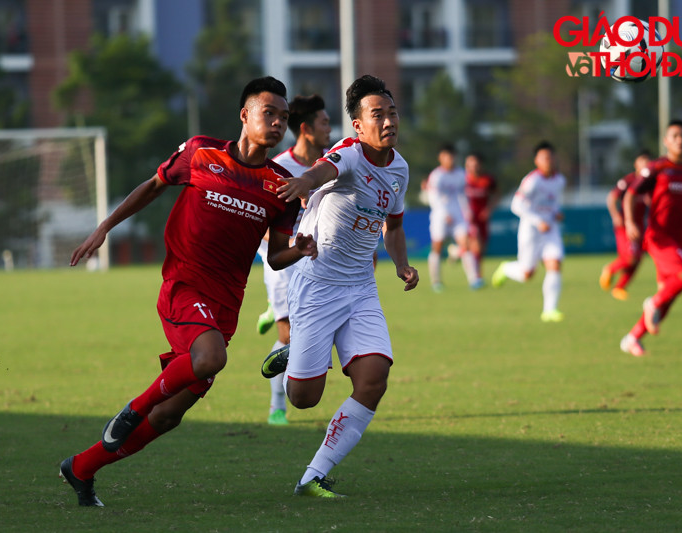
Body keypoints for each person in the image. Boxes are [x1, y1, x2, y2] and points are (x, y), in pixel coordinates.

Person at [58, 76, 318, 507]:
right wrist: (105, 227)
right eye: (269, 113)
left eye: (284, 118)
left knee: (168, 415)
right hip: (183, 286)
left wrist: (300, 250)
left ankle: (81, 468)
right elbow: (154, 185)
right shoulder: (202, 152)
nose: (277, 123)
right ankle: (131, 408)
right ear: (245, 115)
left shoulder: (281, 187)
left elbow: (274, 258)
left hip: (225, 306)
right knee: (209, 359)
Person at [260, 75, 419, 498]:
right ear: (358, 126)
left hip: (361, 289)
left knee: (373, 378)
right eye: (377, 115)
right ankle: (292, 353)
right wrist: (302, 184)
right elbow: (321, 171)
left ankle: (314, 474)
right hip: (318, 285)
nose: (388, 121)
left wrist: (402, 264)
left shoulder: (399, 169)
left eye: (392, 112)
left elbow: (395, 225)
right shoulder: (348, 153)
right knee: (303, 398)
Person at [257, 94, 332, 425]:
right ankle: (277, 406)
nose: (330, 129)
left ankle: (272, 313)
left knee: (311, 332)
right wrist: (288, 244)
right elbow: (261, 221)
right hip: (283, 262)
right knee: (288, 336)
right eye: (325, 123)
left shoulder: (332, 165)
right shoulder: (281, 169)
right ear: (306, 129)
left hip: (318, 264)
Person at [620, 120, 682, 357]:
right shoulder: (657, 168)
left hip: (681, 238)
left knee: (668, 297)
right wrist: (630, 221)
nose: (680, 140)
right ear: (666, 141)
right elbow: (631, 194)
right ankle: (651, 303)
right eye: (674, 136)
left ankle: (632, 338)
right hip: (659, 237)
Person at [491, 141, 566, 322]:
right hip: (531, 231)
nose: (548, 161)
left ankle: (549, 310)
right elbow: (516, 205)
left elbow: (552, 202)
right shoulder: (532, 181)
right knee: (527, 274)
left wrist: (555, 213)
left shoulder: (559, 180)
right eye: (544, 158)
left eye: (551, 157)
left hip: (550, 231)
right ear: (536, 160)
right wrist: (537, 220)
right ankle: (505, 268)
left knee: (555, 264)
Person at [599, 149, 652, 301]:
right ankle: (610, 269)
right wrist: (615, 215)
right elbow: (611, 197)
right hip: (625, 225)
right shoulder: (629, 181)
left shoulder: (649, 183)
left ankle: (620, 287)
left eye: (648, 162)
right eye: (642, 161)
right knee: (630, 257)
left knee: (638, 258)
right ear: (636, 164)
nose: (645, 165)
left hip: (640, 224)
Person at [421, 144, 469, 292]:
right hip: (440, 216)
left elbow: (463, 195)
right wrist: (444, 213)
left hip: (458, 214)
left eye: (452, 156)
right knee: (437, 247)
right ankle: (436, 281)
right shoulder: (437, 175)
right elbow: (433, 197)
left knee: (466, 245)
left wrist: (467, 212)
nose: (450, 159)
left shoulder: (461, 174)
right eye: (446, 156)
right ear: (441, 158)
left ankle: (474, 280)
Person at [463, 151, 499, 289]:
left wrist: (489, 209)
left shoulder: (488, 180)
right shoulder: (463, 180)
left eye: (475, 165)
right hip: (468, 218)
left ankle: (457, 252)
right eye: (469, 165)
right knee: (476, 246)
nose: (472, 167)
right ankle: (476, 278)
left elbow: (496, 194)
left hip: (482, 218)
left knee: (481, 249)